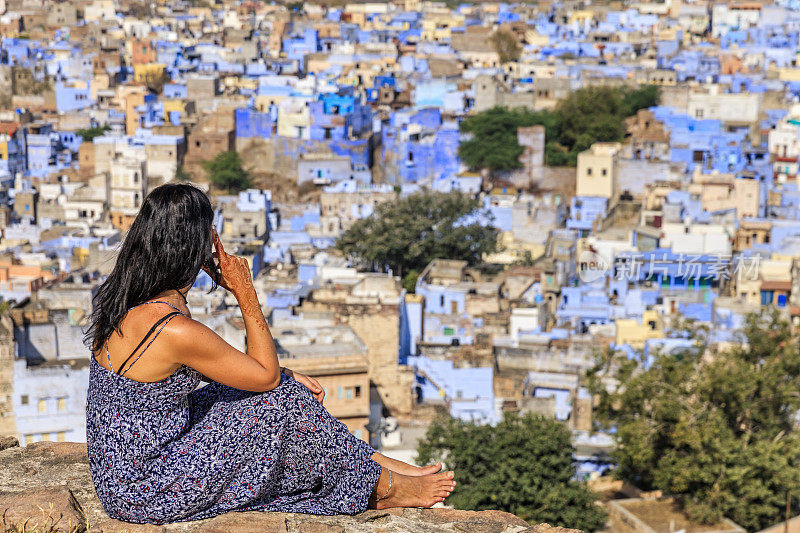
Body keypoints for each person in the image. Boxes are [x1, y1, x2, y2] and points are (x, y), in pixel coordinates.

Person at [85, 183, 456, 524]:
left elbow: (237, 372)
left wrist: (287, 376)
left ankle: (378, 467)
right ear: (195, 249)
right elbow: (266, 377)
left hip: (124, 473)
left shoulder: (126, 300)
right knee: (280, 399)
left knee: (283, 390)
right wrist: (245, 292)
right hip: (146, 487)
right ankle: (383, 485)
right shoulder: (173, 327)